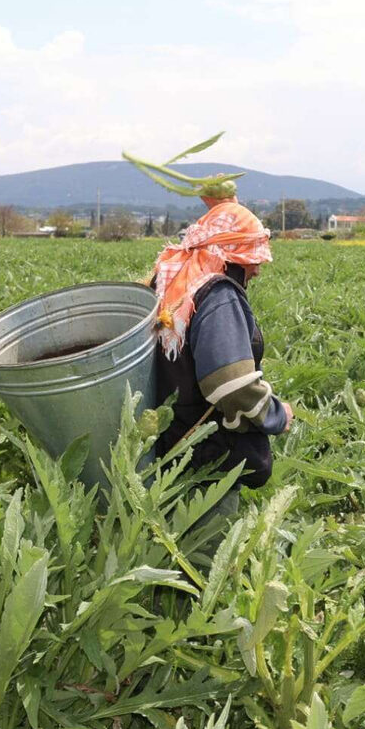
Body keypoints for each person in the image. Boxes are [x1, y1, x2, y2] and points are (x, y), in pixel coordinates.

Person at [150, 179, 292, 548]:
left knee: (170, 544)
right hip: (209, 455)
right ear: (232, 257)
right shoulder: (218, 295)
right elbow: (231, 384)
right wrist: (277, 415)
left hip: (169, 444)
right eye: (252, 259)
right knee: (204, 558)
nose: (257, 270)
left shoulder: (172, 283)